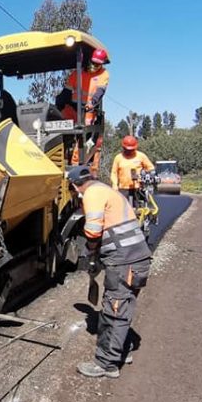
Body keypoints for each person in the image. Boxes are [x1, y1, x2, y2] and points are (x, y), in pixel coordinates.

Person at [68, 165, 152, 379]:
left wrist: (91, 251)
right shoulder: (106, 190)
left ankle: (106, 364)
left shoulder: (92, 194)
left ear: (75, 185)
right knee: (124, 306)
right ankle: (121, 351)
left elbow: (93, 230)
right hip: (137, 257)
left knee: (115, 309)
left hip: (124, 260)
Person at [110, 136, 156, 207]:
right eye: (127, 149)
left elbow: (151, 168)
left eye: (131, 150)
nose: (129, 151)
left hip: (138, 188)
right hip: (123, 189)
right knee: (123, 209)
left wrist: (147, 177)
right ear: (123, 147)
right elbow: (114, 173)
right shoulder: (118, 158)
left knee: (139, 209)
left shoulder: (141, 156)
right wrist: (114, 185)